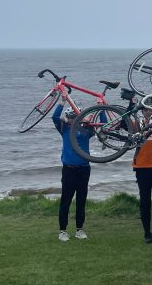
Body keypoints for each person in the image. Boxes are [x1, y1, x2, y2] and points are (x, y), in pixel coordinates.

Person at [51, 99, 94, 242]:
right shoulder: (64, 129)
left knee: (81, 200)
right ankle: (62, 231)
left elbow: (102, 124)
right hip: (69, 170)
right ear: (68, 118)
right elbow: (55, 117)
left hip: (84, 169)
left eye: (75, 117)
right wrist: (62, 102)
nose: (72, 120)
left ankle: (79, 230)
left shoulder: (86, 129)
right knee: (66, 200)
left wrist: (101, 108)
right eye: (70, 117)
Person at [127, 98, 152, 244]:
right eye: (145, 109)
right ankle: (147, 233)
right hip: (142, 167)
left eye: (150, 109)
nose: (148, 111)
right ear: (142, 111)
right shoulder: (137, 124)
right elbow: (122, 124)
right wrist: (131, 105)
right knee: (145, 202)